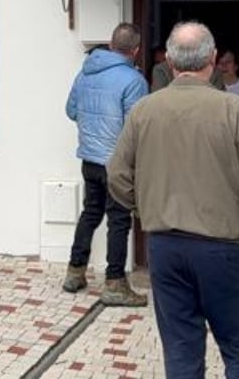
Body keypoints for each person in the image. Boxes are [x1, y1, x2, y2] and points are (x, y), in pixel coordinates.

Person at [108, 21, 239, 378]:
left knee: (182, 356)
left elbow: (117, 175)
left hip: (166, 247)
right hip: (227, 246)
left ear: (170, 63)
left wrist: (146, 209)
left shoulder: (144, 111)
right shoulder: (234, 110)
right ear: (213, 59)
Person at [61, 23, 149, 306]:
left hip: (89, 157)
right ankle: (114, 283)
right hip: (117, 162)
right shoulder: (134, 80)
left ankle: (75, 271)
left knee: (91, 213)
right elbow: (137, 128)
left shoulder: (85, 72)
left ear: (111, 45)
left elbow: (71, 110)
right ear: (135, 50)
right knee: (119, 220)